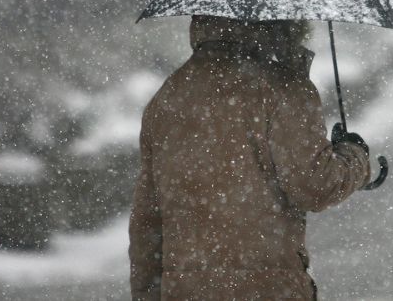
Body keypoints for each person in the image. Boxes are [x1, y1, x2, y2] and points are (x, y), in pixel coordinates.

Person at [129, 15, 371, 300]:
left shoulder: (168, 97)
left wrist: (148, 293)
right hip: (266, 290)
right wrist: (354, 156)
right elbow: (315, 186)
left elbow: (147, 222)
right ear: (285, 21)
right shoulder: (284, 88)